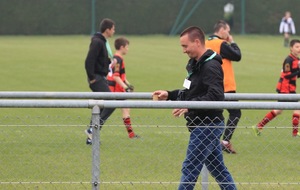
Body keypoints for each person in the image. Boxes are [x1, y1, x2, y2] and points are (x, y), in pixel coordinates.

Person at [153, 26, 236, 190]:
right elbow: (189, 92)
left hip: (208, 126)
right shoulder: (195, 64)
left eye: (185, 46)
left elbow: (216, 96)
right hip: (204, 125)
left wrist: (189, 107)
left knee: (190, 168)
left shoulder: (211, 66)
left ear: (197, 42)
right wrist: (169, 95)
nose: (183, 51)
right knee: (219, 170)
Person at [206, 20, 242, 154]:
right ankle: (224, 142)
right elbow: (237, 56)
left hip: (209, 85)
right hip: (225, 86)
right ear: (222, 31)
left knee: (213, 114)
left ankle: (211, 143)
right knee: (235, 113)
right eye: (228, 30)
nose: (229, 33)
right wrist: (232, 41)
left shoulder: (206, 43)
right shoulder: (221, 44)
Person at [253, 39, 300, 137]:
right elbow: (287, 75)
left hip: (290, 88)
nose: (299, 49)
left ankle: (259, 125)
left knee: (279, 110)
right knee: (297, 108)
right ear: (291, 48)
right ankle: (295, 133)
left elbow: (295, 75)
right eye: (297, 47)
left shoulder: (296, 60)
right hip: (285, 89)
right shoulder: (289, 60)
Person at [84, 18, 116, 145]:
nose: (114, 31)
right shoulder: (98, 42)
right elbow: (89, 61)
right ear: (107, 29)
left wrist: (109, 62)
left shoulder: (102, 42)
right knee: (111, 103)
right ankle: (92, 130)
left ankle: (91, 136)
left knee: (99, 106)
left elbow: (99, 60)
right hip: (96, 78)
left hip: (100, 77)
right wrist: (92, 78)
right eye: (113, 29)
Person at [106, 37, 140, 138]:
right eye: (127, 47)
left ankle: (131, 134)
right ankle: (92, 130)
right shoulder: (119, 59)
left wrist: (128, 84)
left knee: (126, 109)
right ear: (122, 47)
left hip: (116, 88)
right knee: (106, 114)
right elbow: (116, 76)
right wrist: (126, 87)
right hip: (117, 90)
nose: (127, 49)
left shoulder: (115, 58)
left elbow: (120, 76)